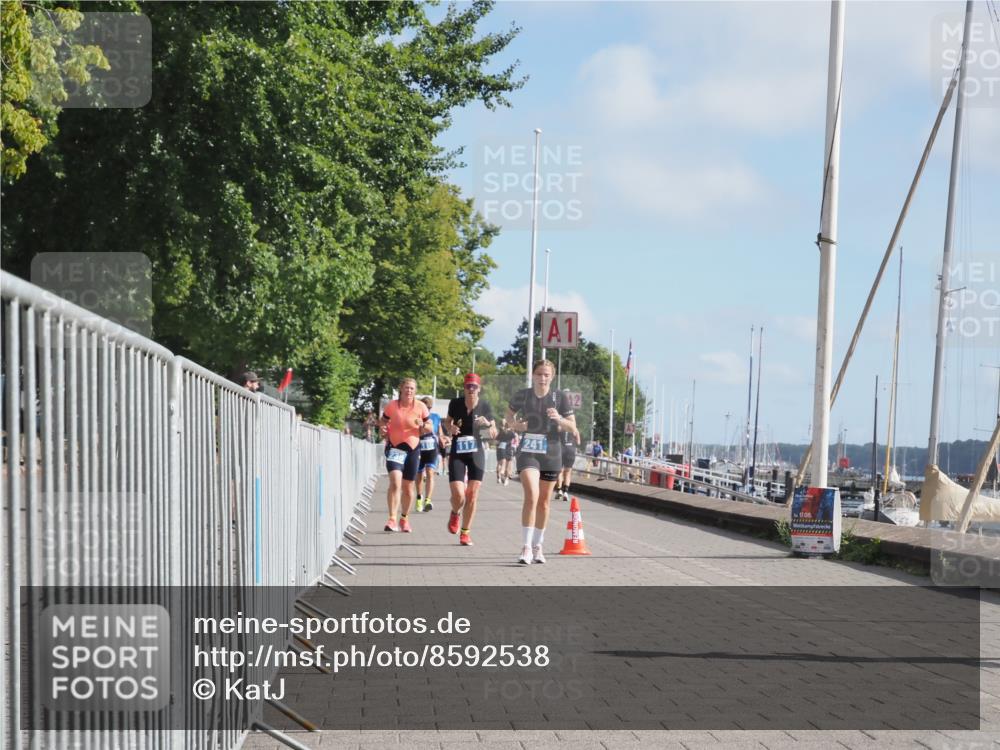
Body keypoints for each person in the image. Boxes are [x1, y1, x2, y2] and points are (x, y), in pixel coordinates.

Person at [506, 360, 575, 565]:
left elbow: (572, 427)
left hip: (552, 452)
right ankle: (526, 547)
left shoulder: (560, 397)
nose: (542, 378)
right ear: (533, 375)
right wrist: (517, 425)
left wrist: (559, 419)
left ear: (552, 377)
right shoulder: (523, 395)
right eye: (539, 374)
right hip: (528, 450)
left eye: (546, 375)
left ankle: (538, 546)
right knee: (532, 495)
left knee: (544, 502)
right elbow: (508, 416)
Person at [444, 373, 497, 546]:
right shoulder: (456, 403)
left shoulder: (485, 406)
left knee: (472, 494)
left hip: (477, 453)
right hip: (458, 451)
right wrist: (450, 428)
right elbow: (448, 422)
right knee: (459, 495)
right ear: (464, 388)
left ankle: (465, 532)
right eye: (468, 386)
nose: (471, 390)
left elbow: (494, 431)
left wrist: (488, 425)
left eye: (474, 387)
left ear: (479, 389)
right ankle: (455, 512)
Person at [379, 378, 431, 533]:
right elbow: (382, 421)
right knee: (395, 482)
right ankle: (392, 519)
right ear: (401, 389)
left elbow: (430, 426)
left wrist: (423, 425)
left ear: (415, 391)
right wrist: (382, 429)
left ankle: (404, 518)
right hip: (395, 448)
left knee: (408, 488)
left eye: (412, 389)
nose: (409, 391)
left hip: (413, 450)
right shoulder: (392, 406)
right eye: (407, 388)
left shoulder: (421, 407)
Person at [416, 396, 448, 512]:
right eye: (425, 407)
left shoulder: (435, 417)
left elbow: (439, 432)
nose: (427, 410)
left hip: (432, 448)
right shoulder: (417, 418)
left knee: (430, 473)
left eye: (429, 408)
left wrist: (442, 439)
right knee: (419, 475)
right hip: (419, 448)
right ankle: (419, 497)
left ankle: (428, 500)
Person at [556, 420, 581, 501]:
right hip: (570, 450)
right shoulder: (575, 429)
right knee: (568, 472)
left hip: (561, 449)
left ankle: (559, 490)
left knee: (560, 471)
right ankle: (565, 492)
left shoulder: (560, 427)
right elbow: (578, 442)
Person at [495, 419, 516, 485]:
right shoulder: (510, 432)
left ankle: (499, 477)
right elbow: (515, 439)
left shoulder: (500, 432)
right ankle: (505, 477)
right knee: (507, 464)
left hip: (501, 447)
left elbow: (496, 441)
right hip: (507, 448)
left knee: (499, 463)